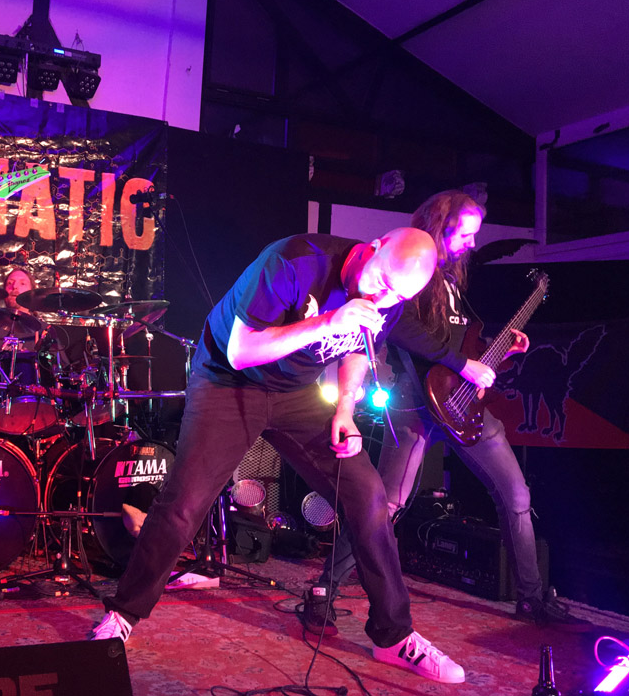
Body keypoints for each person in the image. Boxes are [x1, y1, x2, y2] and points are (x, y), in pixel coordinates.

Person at [89, 228, 467, 685]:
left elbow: (359, 348)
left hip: (296, 394)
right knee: (184, 504)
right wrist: (328, 322)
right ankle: (124, 613)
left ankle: (393, 636)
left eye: (397, 296)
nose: (384, 298)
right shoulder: (294, 261)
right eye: (383, 283)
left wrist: (345, 410)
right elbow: (241, 350)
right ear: (374, 248)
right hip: (228, 381)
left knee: (368, 496)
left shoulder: (393, 296)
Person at [313, 189, 587, 632]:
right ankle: (324, 589)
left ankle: (532, 598)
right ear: (439, 226)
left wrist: (500, 352)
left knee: (517, 496)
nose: (471, 243)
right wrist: (462, 364)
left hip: (465, 406)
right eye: (464, 233)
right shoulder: (411, 269)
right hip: (417, 407)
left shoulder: (454, 282)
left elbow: (460, 345)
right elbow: (400, 329)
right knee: (387, 503)